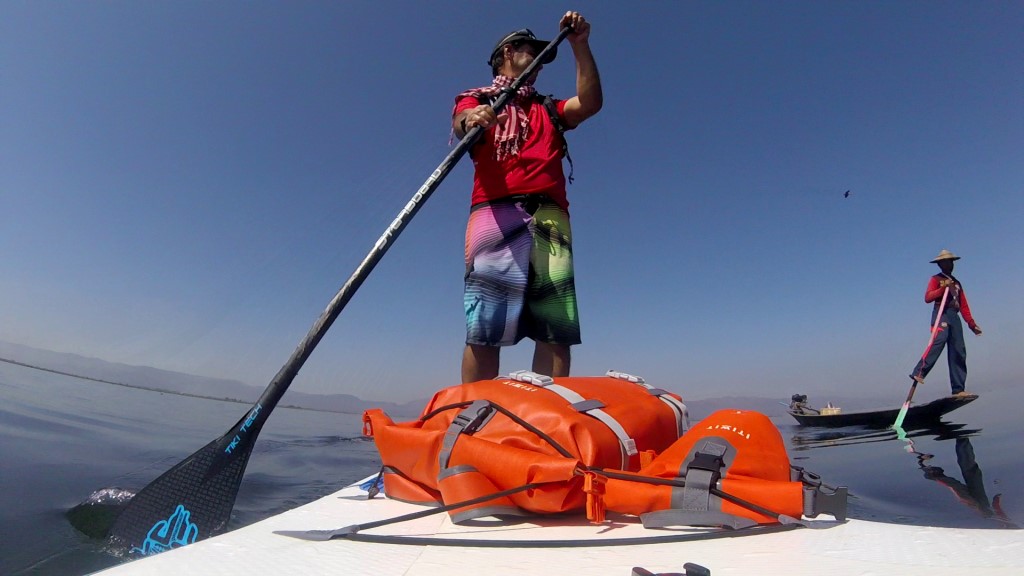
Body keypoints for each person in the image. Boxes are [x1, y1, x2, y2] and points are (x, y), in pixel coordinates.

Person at [452, 12, 602, 383]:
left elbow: (589, 103)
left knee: (555, 327)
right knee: (485, 326)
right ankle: (474, 413)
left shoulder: (548, 108)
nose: (536, 58)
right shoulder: (477, 99)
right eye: (530, 50)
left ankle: (545, 417)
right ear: (507, 51)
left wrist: (579, 45)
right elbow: (461, 122)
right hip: (494, 213)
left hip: (550, 215)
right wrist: (474, 119)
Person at [909, 249, 983, 397]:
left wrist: (971, 323)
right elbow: (928, 297)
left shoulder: (957, 283)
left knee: (958, 349)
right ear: (940, 264)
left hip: (953, 315)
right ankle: (919, 372)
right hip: (940, 314)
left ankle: (958, 388)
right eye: (945, 262)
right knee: (939, 340)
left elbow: (963, 305)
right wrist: (943, 288)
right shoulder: (936, 279)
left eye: (951, 262)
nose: (949, 264)